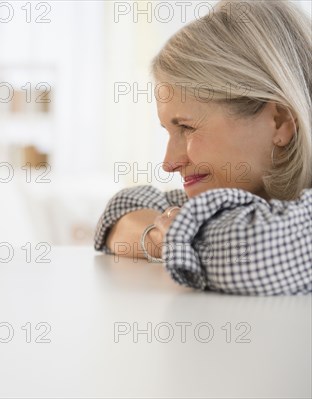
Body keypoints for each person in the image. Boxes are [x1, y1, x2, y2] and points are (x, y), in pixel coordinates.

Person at [95, 0, 311, 295]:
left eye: (186, 127)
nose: (168, 163)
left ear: (279, 121)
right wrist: (157, 237)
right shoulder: (247, 197)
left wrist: (174, 236)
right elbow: (122, 209)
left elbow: (253, 256)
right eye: (170, 132)